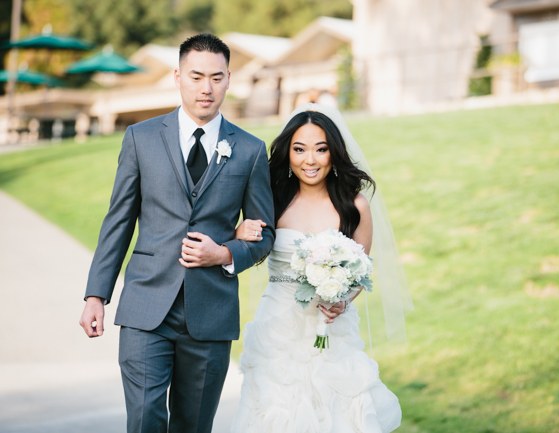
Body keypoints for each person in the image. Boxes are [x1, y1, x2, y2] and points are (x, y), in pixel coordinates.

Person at [78, 33, 275, 433]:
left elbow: (264, 235)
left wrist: (224, 254)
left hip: (211, 313)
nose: (207, 88)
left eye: (216, 78)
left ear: (229, 78)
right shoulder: (141, 138)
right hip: (146, 306)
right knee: (146, 418)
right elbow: (119, 219)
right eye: (197, 76)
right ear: (177, 77)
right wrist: (96, 294)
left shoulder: (251, 150)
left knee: (194, 425)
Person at [230, 103, 402, 432]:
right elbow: (245, 239)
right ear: (288, 153)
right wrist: (239, 232)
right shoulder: (272, 198)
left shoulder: (354, 206)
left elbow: (361, 273)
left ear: (333, 153)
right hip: (278, 331)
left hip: (332, 332)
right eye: (299, 149)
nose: (310, 160)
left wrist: (342, 300)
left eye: (320, 149)